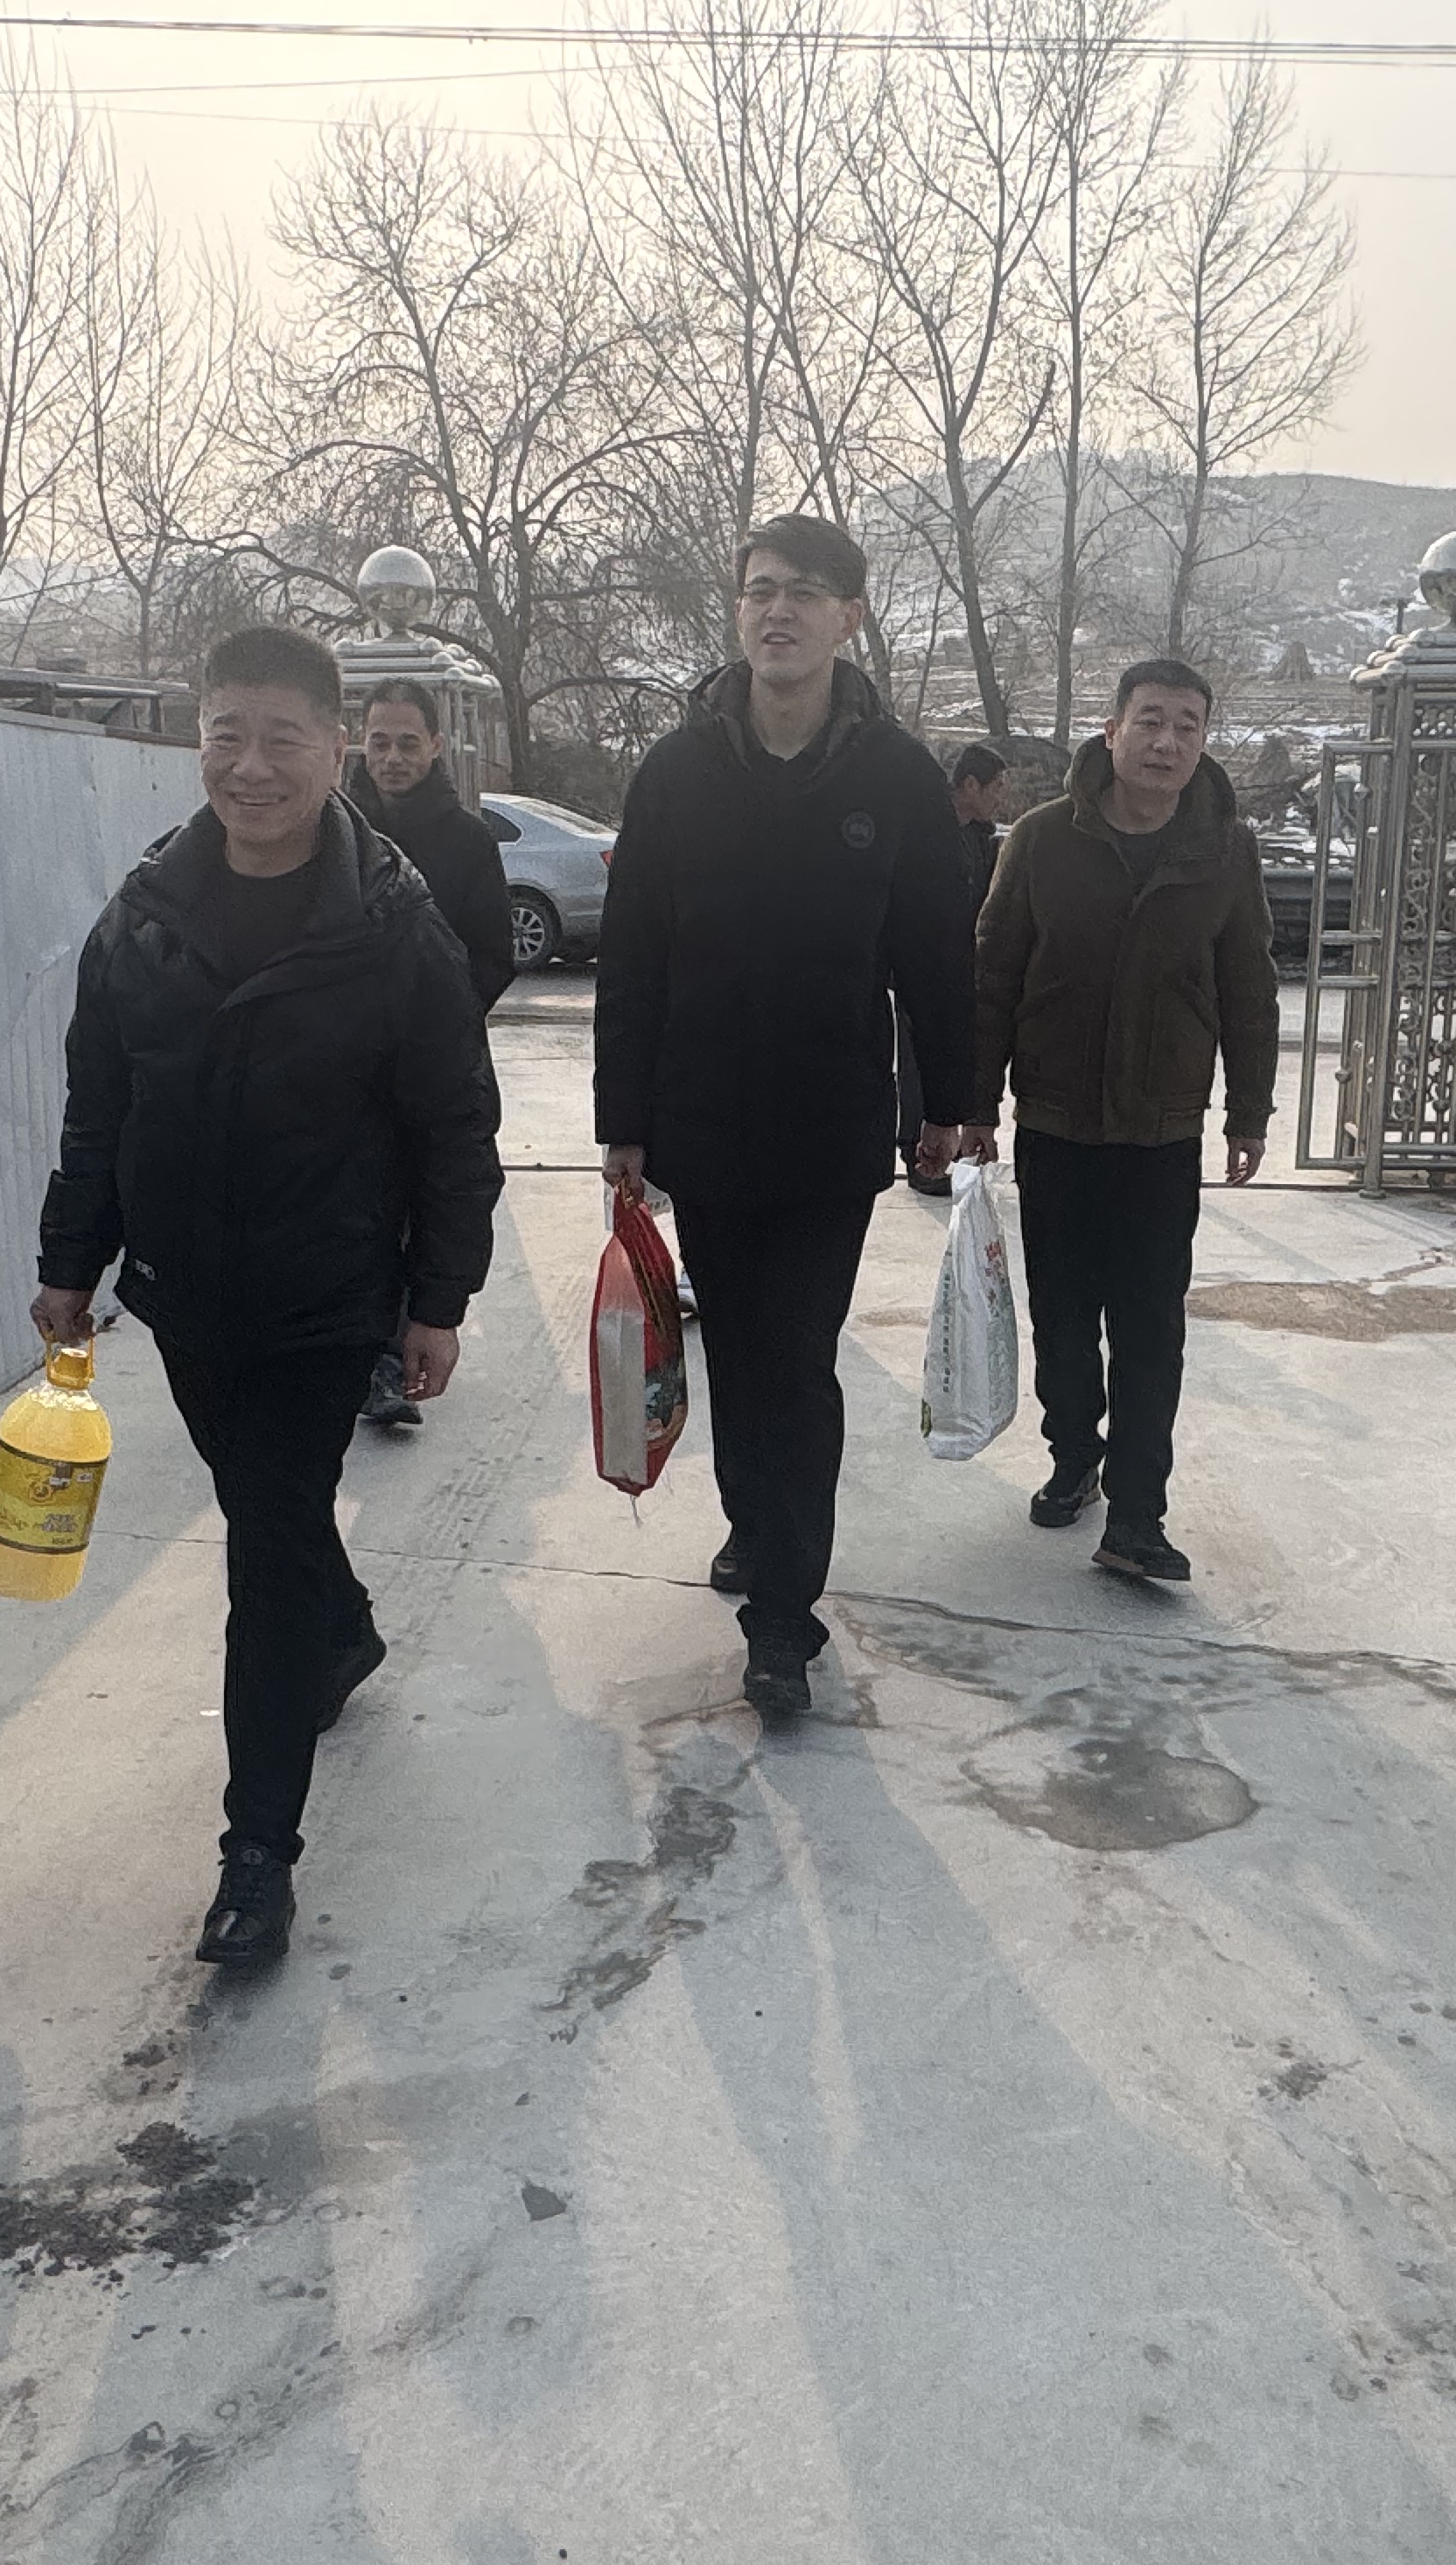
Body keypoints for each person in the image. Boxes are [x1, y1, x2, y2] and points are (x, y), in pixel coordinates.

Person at [33, 625, 502, 1966]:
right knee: (269, 1513)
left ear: (334, 749)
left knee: (267, 1541)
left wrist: (437, 1298)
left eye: (283, 738)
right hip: (184, 1293)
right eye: (226, 735)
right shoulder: (142, 917)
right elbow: (98, 1106)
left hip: (324, 1295)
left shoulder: (393, 927)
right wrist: (70, 1262)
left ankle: (258, 1853)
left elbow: (454, 1128)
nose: (251, 766)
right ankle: (343, 1632)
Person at [593, 511, 976, 1721]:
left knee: (796, 1362)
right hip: (704, 1120)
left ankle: (782, 1622)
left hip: (828, 1125)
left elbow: (935, 953)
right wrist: (624, 1121)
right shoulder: (676, 771)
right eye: (760, 589)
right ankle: (757, 1528)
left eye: (805, 592)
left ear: (849, 617)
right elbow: (633, 958)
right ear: (739, 610)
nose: (778, 610)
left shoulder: (896, 777)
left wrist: (954, 1103)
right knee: (742, 1353)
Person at [961, 657, 1277, 1585]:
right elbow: (993, 974)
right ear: (1112, 731)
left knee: (1149, 1329)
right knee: (1062, 1316)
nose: (1166, 741)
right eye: (1150, 720)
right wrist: (975, 1103)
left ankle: (1138, 1515)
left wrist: (1248, 1111)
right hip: (1056, 1123)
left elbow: (1249, 987)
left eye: (1186, 725)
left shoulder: (1225, 850)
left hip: (1161, 1130)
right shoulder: (1042, 840)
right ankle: (1074, 1456)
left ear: (1204, 742)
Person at [341, 676, 518, 1429]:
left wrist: (437, 1029)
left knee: (428, 1205)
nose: (392, 757)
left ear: (437, 746)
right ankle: (363, 1352)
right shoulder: (331, 828)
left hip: (437, 1066)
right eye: (379, 742)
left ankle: (402, 1347)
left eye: (408, 743)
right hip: (343, 1065)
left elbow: (494, 952)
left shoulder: (467, 840)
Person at [899, 741, 1015, 1194]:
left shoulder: (981, 839)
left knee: (962, 1054)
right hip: (923, 966)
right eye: (995, 787)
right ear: (968, 785)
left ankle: (954, 1148)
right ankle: (918, 1156)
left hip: (967, 965)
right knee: (920, 1061)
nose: (1000, 797)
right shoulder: (926, 832)